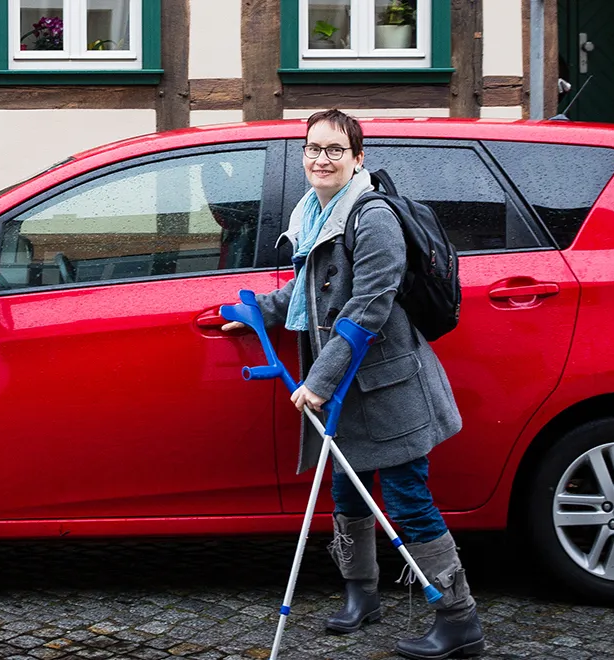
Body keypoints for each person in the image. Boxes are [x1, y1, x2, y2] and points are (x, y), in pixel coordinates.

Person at [221, 110, 479, 659]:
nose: (322, 159)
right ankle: (363, 595)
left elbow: (369, 307)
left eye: (336, 150)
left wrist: (318, 381)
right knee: (345, 494)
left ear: (357, 157)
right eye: (314, 148)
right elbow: (307, 291)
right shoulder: (315, 214)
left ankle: (460, 620)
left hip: (388, 391)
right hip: (347, 393)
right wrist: (255, 310)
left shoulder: (371, 217)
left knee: (408, 500)